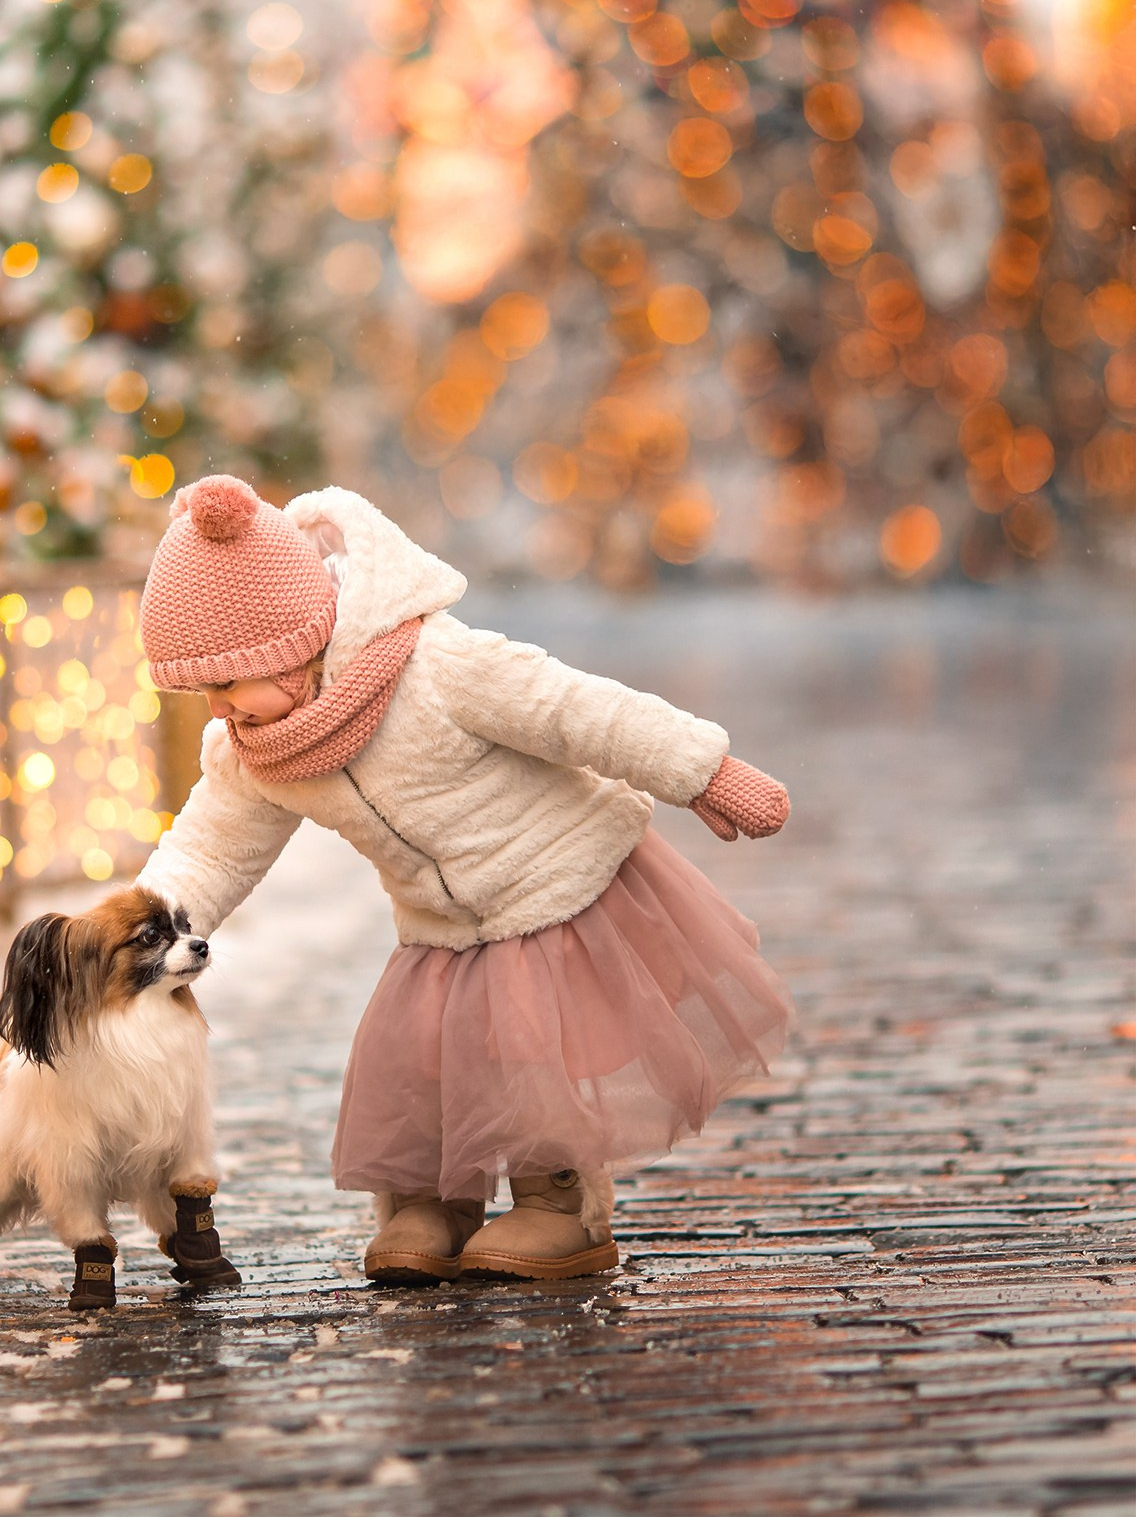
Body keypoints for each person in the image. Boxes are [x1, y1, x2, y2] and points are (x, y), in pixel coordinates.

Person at [133, 475, 794, 1282]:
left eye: (232, 680)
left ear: (296, 646)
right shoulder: (260, 750)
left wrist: (702, 770)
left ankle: (561, 1205)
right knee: (416, 1065)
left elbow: (574, 710)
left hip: (556, 887)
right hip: (441, 926)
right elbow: (211, 848)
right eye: (205, 689)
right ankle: (433, 1205)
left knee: (533, 1056)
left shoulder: (437, 667)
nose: (220, 708)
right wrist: (133, 931)